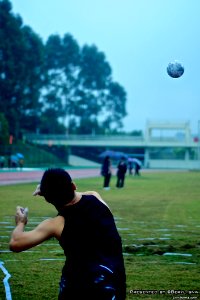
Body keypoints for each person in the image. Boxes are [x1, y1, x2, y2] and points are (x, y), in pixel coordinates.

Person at [9, 168, 126, 300]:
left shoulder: (56, 224)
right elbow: (81, 195)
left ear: (47, 199)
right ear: (73, 186)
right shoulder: (96, 198)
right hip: (113, 284)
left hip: (77, 289)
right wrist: (55, 190)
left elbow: (15, 243)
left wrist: (21, 223)